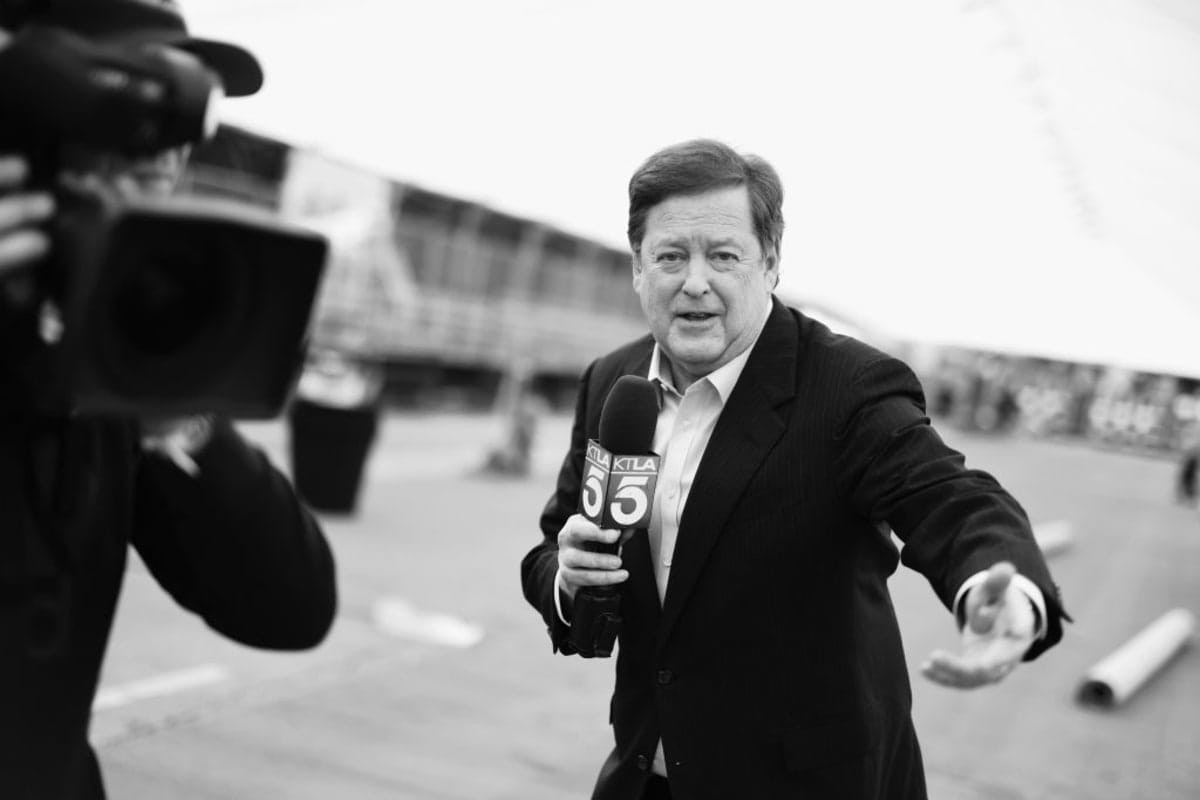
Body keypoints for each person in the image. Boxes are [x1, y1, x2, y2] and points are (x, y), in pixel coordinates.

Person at [521, 139, 1068, 799]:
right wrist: (568, 578)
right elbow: (553, 542)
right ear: (638, 269)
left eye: (724, 256)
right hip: (651, 775)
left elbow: (949, 495)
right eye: (670, 256)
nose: (694, 282)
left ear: (771, 264)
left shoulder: (848, 387)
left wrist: (1000, 587)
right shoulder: (612, 382)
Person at [0, 2, 337, 798]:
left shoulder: (110, 354)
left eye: (183, 117)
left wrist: (172, 413)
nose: (166, 153)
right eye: (129, 107)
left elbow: (287, 606)